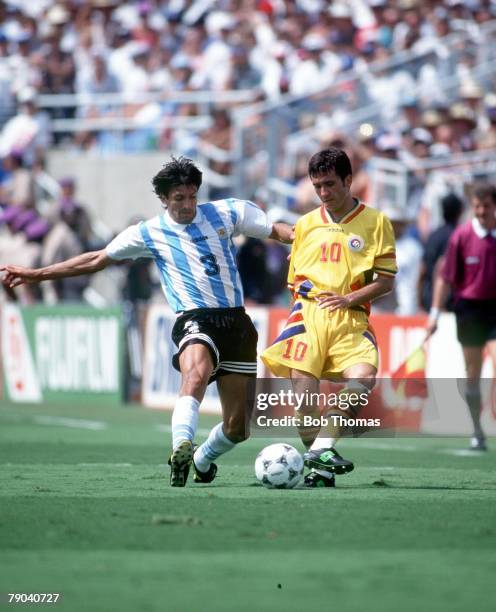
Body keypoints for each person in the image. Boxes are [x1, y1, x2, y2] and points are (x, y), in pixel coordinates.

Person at [1, 156, 294, 486]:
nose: (187, 205)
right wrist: (36, 274)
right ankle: (180, 445)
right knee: (195, 373)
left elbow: (277, 231)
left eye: (192, 196)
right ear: (164, 199)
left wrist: (308, 239)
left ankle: (201, 457)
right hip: (195, 319)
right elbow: (97, 258)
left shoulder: (227, 212)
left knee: (237, 428)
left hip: (237, 323)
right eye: (179, 198)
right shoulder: (150, 232)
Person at [261, 148, 397, 487]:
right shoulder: (305, 225)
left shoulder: (377, 222)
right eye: (317, 185)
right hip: (308, 319)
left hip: (351, 319)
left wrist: (348, 297)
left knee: (362, 381)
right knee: (306, 405)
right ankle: (321, 469)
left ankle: (321, 452)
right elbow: (294, 282)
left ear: (349, 180)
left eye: (330, 184)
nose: (324, 193)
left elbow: (386, 281)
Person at [426, 183, 496, 451]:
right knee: (473, 374)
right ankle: (477, 430)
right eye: (477, 206)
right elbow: (445, 278)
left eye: (486, 206)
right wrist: (434, 313)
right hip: (469, 310)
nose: (480, 211)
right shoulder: (462, 236)